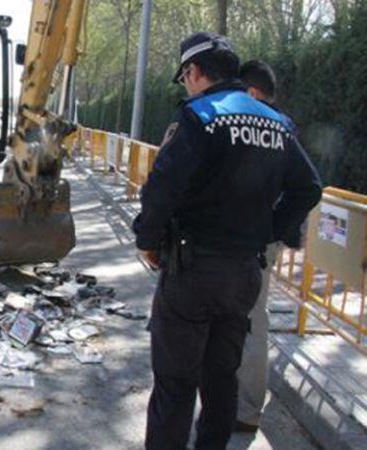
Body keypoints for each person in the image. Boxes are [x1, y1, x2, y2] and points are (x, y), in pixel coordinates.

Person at [133, 32, 321, 449]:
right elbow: (309, 187)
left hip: (192, 272)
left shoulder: (199, 117)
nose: (186, 85)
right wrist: (272, 231)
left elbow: (161, 191)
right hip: (244, 275)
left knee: (175, 386)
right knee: (221, 382)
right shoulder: (277, 123)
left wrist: (147, 239)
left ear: (194, 72)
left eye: (184, 76)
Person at [234, 59, 298, 433]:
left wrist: (272, 228)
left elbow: (306, 188)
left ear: (253, 94)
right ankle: (239, 405)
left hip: (254, 242)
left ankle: (244, 410)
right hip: (259, 239)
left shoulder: (264, 128)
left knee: (251, 324)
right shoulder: (284, 128)